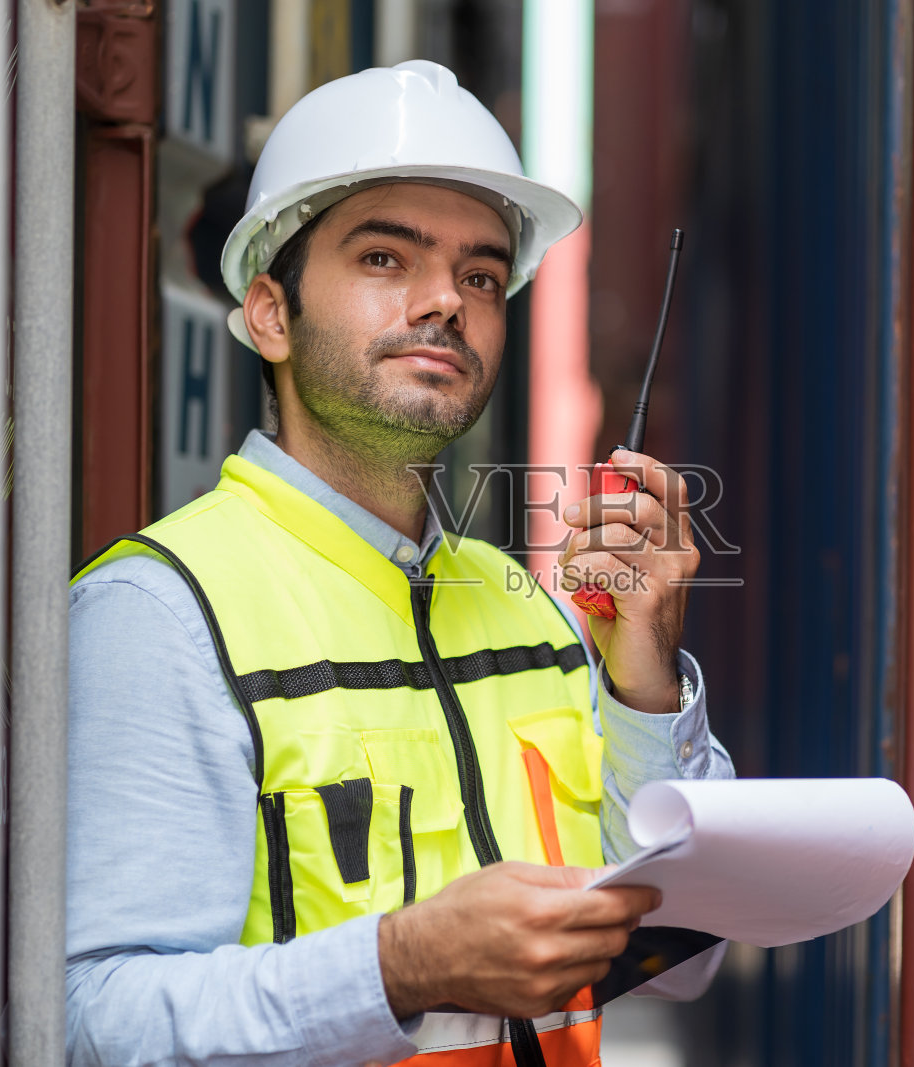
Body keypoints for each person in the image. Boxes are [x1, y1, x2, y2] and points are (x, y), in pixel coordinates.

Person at [65, 60, 734, 1067]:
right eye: (385, 258)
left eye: (478, 275)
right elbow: (95, 1021)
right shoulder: (161, 614)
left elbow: (682, 963)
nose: (446, 302)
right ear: (269, 314)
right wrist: (397, 965)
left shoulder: (531, 610)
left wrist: (643, 680)